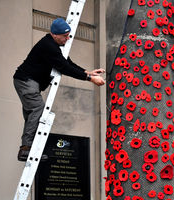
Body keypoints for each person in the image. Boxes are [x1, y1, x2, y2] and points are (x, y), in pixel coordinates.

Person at [13, 18, 105, 162]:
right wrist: (90, 79)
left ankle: (28, 148)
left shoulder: (54, 46)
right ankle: (26, 149)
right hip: (26, 81)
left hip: (27, 81)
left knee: (32, 115)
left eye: (68, 35)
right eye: (64, 36)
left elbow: (67, 63)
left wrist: (89, 72)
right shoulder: (48, 46)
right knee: (38, 109)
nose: (67, 39)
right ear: (54, 34)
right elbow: (64, 68)